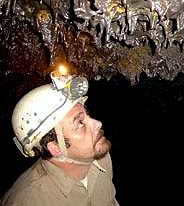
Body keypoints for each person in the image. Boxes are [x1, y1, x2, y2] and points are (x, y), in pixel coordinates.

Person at [0, 69, 119, 206]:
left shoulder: (101, 158)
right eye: (80, 123)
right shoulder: (28, 200)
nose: (98, 123)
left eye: (88, 115)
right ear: (55, 148)